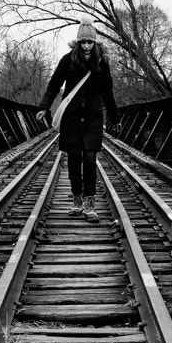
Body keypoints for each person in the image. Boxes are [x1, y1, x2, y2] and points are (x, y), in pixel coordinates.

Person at [35, 20, 120, 222]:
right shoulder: (67, 60)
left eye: (90, 42)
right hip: (72, 117)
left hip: (93, 116)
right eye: (83, 42)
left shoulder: (102, 63)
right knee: (74, 158)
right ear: (78, 42)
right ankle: (77, 200)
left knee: (90, 158)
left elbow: (108, 93)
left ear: (95, 42)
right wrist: (43, 107)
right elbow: (54, 85)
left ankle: (90, 203)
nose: (86, 46)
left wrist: (115, 118)